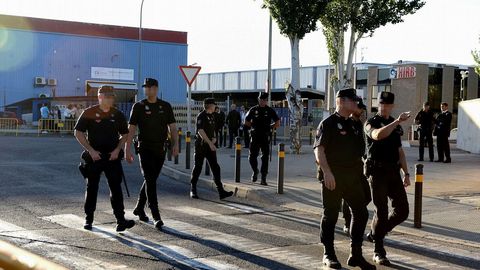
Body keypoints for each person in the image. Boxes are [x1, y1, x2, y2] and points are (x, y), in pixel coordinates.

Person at [314, 88, 375, 270]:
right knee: (331, 215)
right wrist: (327, 172)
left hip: (352, 177)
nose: (356, 104)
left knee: (361, 212)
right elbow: (319, 150)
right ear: (341, 100)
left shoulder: (354, 124)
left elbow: (360, 150)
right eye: (353, 100)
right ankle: (328, 253)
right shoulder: (328, 123)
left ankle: (355, 254)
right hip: (333, 177)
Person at [74, 85, 135, 232]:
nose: (110, 99)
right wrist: (91, 150)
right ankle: (89, 219)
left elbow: (125, 134)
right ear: (100, 97)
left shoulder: (117, 114)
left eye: (111, 96)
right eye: (107, 96)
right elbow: (78, 132)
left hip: (112, 157)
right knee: (92, 188)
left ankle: (120, 220)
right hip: (95, 157)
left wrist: (117, 149)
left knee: (116, 189)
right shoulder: (89, 112)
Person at [125, 78, 178, 230]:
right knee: (150, 179)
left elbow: (173, 127)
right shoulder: (139, 106)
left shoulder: (165, 106)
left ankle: (139, 207)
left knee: (151, 179)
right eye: (145, 88)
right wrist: (127, 149)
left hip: (160, 148)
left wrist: (175, 145)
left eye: (149, 87)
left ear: (155, 88)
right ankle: (156, 215)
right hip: (145, 148)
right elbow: (131, 129)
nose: (146, 90)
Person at [364, 91, 411, 266]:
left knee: (403, 210)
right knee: (381, 212)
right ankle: (378, 250)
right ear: (378, 104)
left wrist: (406, 174)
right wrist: (397, 121)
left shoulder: (396, 127)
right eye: (381, 104)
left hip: (393, 172)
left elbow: (400, 152)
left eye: (387, 105)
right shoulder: (370, 123)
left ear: (392, 106)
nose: (384, 107)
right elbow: (377, 135)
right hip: (377, 172)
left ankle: (376, 233)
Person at [190, 98, 234, 200]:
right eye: (214, 105)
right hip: (201, 146)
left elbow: (214, 128)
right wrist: (209, 143)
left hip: (210, 146)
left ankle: (221, 192)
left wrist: (214, 137)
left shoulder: (213, 115)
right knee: (198, 167)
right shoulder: (201, 116)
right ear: (210, 105)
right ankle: (193, 189)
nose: (215, 107)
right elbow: (200, 131)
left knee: (215, 167)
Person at [342, 98, 369, 235]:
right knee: (350, 197)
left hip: (359, 165)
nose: (362, 111)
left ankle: (355, 216)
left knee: (367, 196)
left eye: (363, 109)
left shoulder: (361, 124)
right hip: (349, 167)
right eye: (360, 108)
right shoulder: (348, 123)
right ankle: (348, 222)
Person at [244, 92, 280, 185]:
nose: (263, 101)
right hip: (255, 135)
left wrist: (271, 127)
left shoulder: (270, 110)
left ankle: (263, 178)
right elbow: (246, 121)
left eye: (264, 100)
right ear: (258, 99)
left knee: (264, 158)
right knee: (252, 157)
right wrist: (254, 126)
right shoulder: (253, 109)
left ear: (266, 101)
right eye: (261, 99)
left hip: (265, 136)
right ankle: (255, 171)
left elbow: (277, 122)